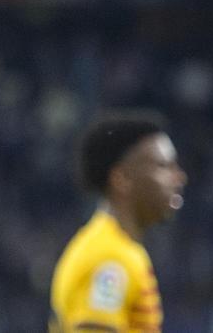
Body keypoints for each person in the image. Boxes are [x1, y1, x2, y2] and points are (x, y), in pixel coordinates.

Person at [50, 113, 187, 332]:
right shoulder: (109, 258)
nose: (179, 177)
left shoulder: (124, 250)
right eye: (163, 166)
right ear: (121, 179)